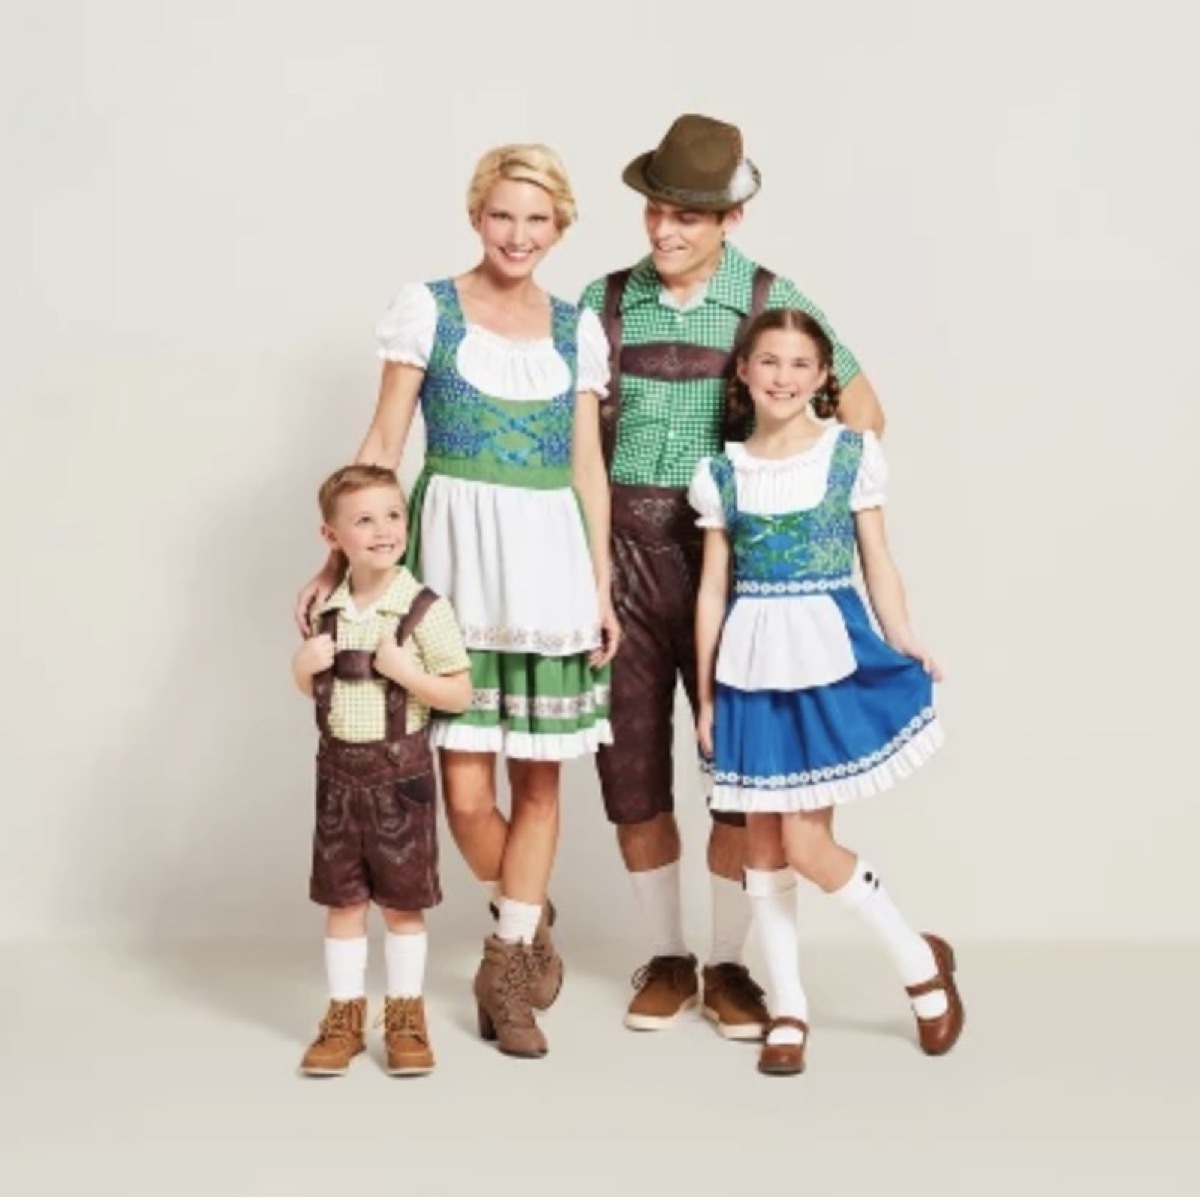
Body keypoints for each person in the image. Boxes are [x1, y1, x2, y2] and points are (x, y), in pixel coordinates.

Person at [295, 144, 619, 1058]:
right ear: (477, 217)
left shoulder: (574, 327)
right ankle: (528, 904)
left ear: (560, 228)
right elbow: (387, 435)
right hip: (456, 563)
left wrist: (600, 583)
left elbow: (587, 467)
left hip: (550, 563)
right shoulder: (428, 311)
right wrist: (339, 558)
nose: (520, 236)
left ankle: (507, 965)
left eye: (539, 220)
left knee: (542, 783)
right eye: (504, 216)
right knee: (467, 790)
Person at [578, 113, 885, 1039]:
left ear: (730, 219)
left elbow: (861, 412)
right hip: (621, 560)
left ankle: (730, 963)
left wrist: (788, 512)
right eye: (654, 212)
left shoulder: (771, 297)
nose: (664, 231)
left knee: (739, 777)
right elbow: (573, 447)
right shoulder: (601, 301)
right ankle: (667, 956)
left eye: (685, 217)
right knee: (629, 770)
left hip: (728, 563)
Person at [689, 308, 962, 1075]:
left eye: (798, 364)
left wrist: (902, 633)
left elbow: (878, 559)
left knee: (807, 842)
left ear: (820, 375)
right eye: (767, 361)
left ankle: (917, 962)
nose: (782, 376)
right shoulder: (723, 472)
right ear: (743, 372)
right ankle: (789, 1007)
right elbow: (713, 589)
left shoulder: (850, 454)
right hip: (748, 663)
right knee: (763, 847)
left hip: (826, 653)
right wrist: (707, 695)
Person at [292, 464, 473, 1077]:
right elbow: (311, 689)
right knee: (343, 902)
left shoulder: (423, 609)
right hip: (338, 776)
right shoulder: (329, 610)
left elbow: (458, 694)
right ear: (332, 536)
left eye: (392, 515)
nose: (382, 529)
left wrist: (405, 672)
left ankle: (404, 1015)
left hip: (402, 779)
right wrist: (302, 663)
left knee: (401, 904)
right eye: (363, 520)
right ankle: (344, 1015)